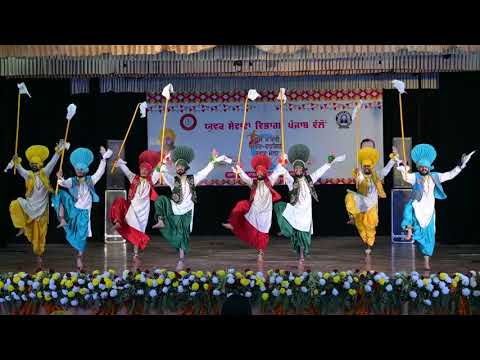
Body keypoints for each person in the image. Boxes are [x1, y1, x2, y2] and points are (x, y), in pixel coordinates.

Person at [397, 144, 475, 270]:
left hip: (429, 211)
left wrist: (460, 166)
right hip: (417, 207)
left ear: (429, 168)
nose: (423, 169)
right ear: (419, 167)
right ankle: (409, 231)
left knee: (429, 237)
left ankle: (426, 261)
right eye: (421, 167)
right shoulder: (415, 177)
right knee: (409, 208)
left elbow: (450, 174)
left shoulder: (435, 177)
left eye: (425, 167)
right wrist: (402, 168)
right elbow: (406, 177)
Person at [153, 146, 231, 270]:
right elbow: (164, 173)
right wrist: (162, 163)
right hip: (175, 208)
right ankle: (161, 220)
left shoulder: (193, 179)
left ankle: (181, 253)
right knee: (160, 200)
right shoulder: (173, 181)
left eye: (181, 167)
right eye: (177, 167)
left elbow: (204, 172)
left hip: (187, 210)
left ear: (185, 168)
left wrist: (213, 161)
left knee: (183, 233)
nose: (179, 168)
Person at [274, 144, 345, 270]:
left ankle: (301, 254)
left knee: (303, 236)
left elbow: (320, 171)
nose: (297, 170)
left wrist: (329, 163)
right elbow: (282, 170)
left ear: (303, 169)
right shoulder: (291, 181)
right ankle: (287, 232)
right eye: (295, 168)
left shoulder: (310, 179)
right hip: (296, 210)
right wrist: (282, 161)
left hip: (306, 213)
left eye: (299, 168)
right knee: (279, 207)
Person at [7, 140, 69, 269]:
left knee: (40, 237)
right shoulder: (28, 175)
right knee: (15, 204)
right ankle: (22, 226)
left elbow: (53, 162)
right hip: (30, 207)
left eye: (36, 164)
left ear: (40, 164)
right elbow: (20, 169)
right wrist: (16, 161)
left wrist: (59, 151)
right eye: (32, 164)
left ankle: (39, 257)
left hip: (41, 210)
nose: (34, 166)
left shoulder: (45, 173)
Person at [52, 146, 113, 270]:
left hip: (85, 211)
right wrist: (60, 177)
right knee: (59, 195)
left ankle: (80, 255)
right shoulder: (72, 180)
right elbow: (63, 183)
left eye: (81, 169)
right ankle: (63, 219)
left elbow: (100, 172)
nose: (79, 171)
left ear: (84, 170)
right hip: (74, 209)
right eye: (77, 169)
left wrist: (103, 159)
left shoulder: (90, 180)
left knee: (82, 233)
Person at [222, 154, 283, 262]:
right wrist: (239, 169)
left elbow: (277, 171)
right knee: (242, 205)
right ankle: (234, 224)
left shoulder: (270, 181)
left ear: (264, 172)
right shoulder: (253, 183)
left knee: (262, 233)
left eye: (261, 172)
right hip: (254, 210)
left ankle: (260, 252)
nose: (258, 173)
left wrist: (282, 161)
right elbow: (245, 177)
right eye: (257, 172)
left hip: (265, 212)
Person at [345, 146, 400, 255]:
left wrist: (394, 157)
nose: (366, 168)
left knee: (370, 225)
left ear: (371, 166)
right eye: (364, 166)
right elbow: (359, 178)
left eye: (368, 166)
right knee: (349, 197)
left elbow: (387, 169)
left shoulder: (377, 174)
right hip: (361, 200)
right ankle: (352, 217)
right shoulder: (360, 175)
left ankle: (369, 245)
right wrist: (357, 173)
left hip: (372, 204)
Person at [110, 150, 161, 265]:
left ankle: (135, 255)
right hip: (132, 208)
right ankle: (118, 221)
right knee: (119, 201)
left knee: (138, 233)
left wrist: (160, 164)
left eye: (146, 169)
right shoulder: (134, 178)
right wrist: (120, 162)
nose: (143, 170)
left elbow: (157, 171)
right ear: (140, 169)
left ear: (149, 171)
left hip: (143, 212)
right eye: (142, 168)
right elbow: (126, 170)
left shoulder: (151, 180)